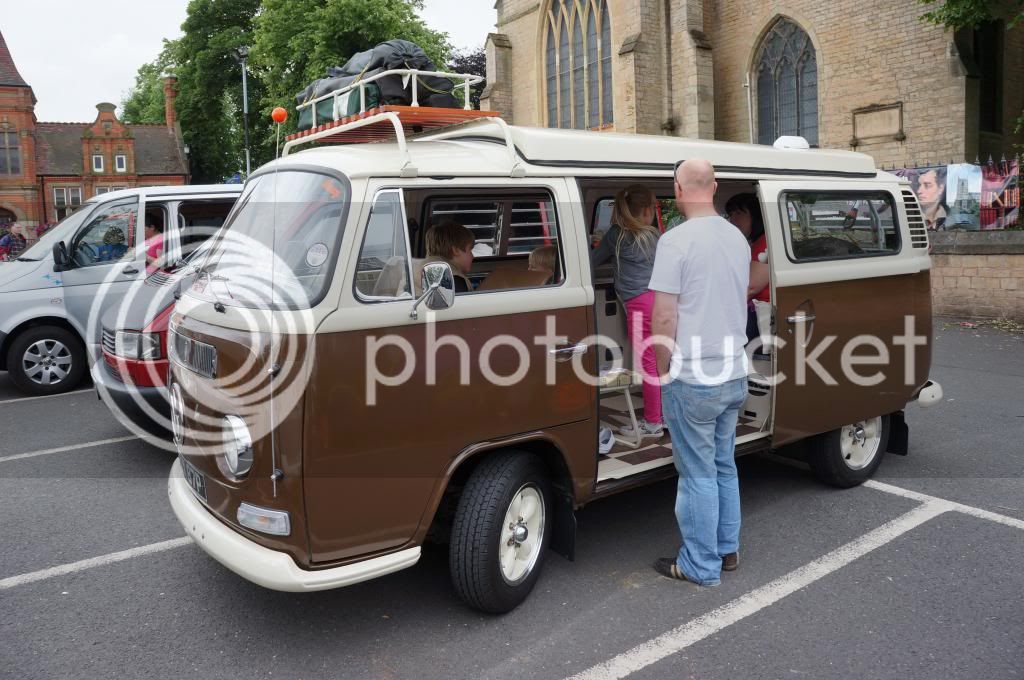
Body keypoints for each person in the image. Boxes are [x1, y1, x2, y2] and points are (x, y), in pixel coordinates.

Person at [649, 159, 750, 586]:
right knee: (724, 465)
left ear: (677, 189)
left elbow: (664, 317)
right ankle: (727, 551)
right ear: (716, 186)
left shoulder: (674, 242)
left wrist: (662, 371)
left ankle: (699, 565)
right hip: (734, 374)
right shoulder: (738, 239)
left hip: (694, 378)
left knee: (697, 476)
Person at [591, 185, 664, 438]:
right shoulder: (655, 235)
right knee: (663, 360)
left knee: (648, 364)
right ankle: (666, 416)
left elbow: (591, 262)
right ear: (646, 211)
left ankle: (653, 422)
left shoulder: (616, 236)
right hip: (662, 301)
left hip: (638, 304)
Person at [724, 193, 769, 345]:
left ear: (755, 216)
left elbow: (750, 287)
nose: (732, 220)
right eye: (730, 215)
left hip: (760, 315)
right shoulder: (753, 243)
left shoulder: (764, 243)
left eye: (739, 213)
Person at [424, 219, 475, 293]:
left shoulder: (422, 269)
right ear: (456, 250)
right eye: (470, 250)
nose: (473, 256)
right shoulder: (453, 281)